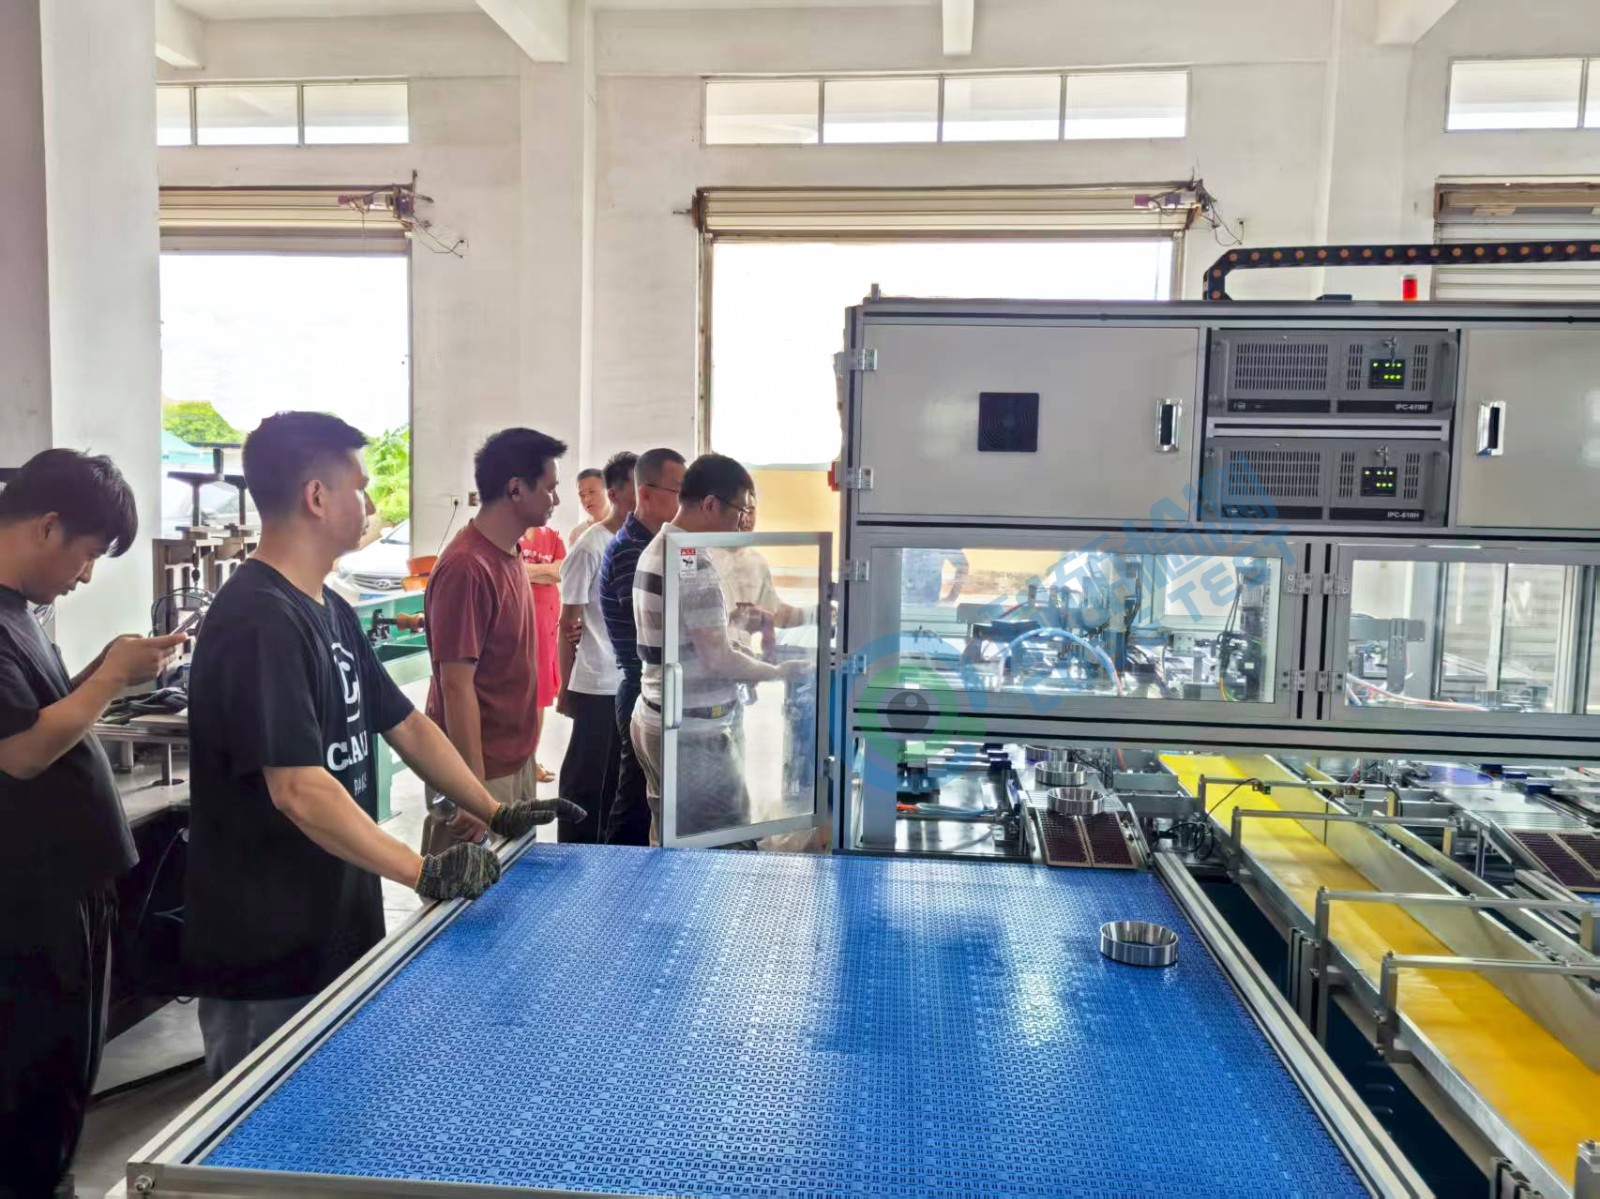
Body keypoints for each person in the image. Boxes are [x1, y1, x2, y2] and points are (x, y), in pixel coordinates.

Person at [183, 412, 575, 1082]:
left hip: (336, 924)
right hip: (269, 951)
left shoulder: (327, 607)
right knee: (268, 1134)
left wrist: (494, 808)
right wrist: (423, 872)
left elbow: (408, 725)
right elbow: (298, 789)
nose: (370, 504)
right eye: (360, 488)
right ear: (316, 496)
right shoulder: (258, 619)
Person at [0, 451, 185, 1199]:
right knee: (33, 1082)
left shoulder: (20, 613)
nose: (84, 576)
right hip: (30, 904)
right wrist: (111, 678)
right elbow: (21, 751)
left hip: (68, 889)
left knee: (64, 1078)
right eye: (88, 554)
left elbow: (41, 712)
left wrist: (103, 667)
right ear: (48, 526)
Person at [631, 454, 807, 845]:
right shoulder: (693, 563)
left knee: (669, 841)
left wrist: (732, 624)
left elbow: (686, 635)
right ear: (710, 504)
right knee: (724, 846)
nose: (742, 522)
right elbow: (718, 659)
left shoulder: (661, 547)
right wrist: (779, 671)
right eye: (740, 510)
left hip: (655, 715)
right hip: (693, 733)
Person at [422, 428, 580, 856]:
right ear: (515, 489)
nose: (556, 499)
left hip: (513, 759)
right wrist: (473, 793)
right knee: (465, 888)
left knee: (512, 882)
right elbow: (456, 687)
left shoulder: (510, 554)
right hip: (479, 770)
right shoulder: (467, 567)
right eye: (549, 488)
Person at [598, 447, 685, 846]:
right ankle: (616, 879)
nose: (684, 502)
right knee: (633, 807)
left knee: (641, 801)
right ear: (645, 493)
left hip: (650, 686)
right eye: (679, 491)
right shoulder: (634, 550)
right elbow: (658, 629)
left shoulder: (654, 544)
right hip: (641, 688)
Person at [554, 451, 636, 842]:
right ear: (617, 494)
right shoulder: (590, 547)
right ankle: (572, 854)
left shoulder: (639, 542)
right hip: (596, 683)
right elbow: (567, 622)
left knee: (618, 783)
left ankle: (607, 854)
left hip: (629, 682)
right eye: (640, 488)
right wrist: (565, 687)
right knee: (585, 781)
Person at [518, 521, 564, 784]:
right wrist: (545, 571)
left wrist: (529, 570)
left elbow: (559, 572)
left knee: (540, 695)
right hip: (518, 624)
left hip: (546, 628)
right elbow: (512, 570)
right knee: (518, 694)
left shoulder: (553, 536)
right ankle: (517, 760)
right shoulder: (511, 534)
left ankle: (530, 758)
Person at [902, 547, 970, 606]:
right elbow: (963, 567)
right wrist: (951, 598)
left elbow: (963, 567)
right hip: (903, 605)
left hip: (929, 607)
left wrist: (951, 598)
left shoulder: (942, 541)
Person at [566, 468, 607, 545]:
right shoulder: (577, 534)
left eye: (592, 492)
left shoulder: (625, 527)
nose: (586, 499)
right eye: (582, 495)